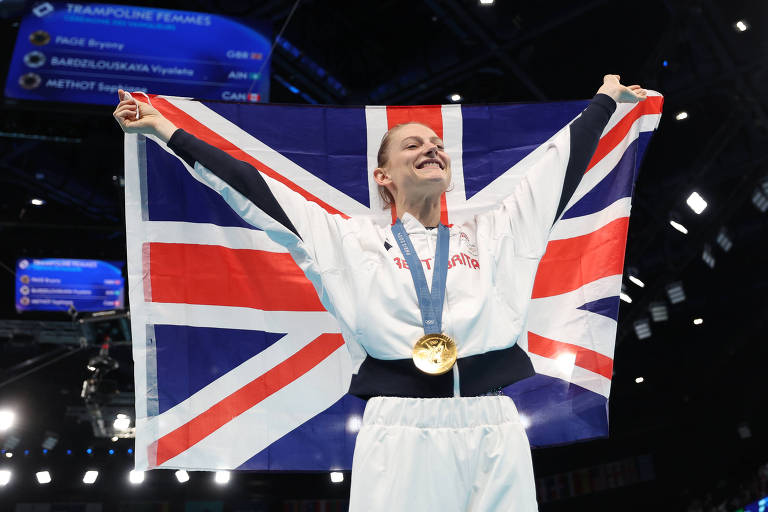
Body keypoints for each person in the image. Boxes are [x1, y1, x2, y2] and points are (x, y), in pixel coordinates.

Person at [114, 75, 647, 511]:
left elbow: (557, 168)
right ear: (383, 176)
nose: (431, 149)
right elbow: (253, 187)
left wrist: (604, 99)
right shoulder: (346, 240)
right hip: (399, 426)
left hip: (495, 423)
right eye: (413, 145)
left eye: (437, 145)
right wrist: (165, 130)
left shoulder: (497, 233)